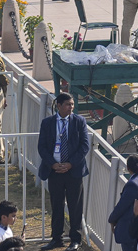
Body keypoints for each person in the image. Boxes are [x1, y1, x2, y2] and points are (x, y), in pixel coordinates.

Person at [37, 92, 89, 250]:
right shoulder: (47, 123)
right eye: (67, 104)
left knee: (75, 207)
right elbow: (42, 147)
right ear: (58, 106)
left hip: (73, 172)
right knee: (57, 206)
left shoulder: (79, 121)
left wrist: (70, 164)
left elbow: (84, 146)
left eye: (72, 104)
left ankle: (75, 240)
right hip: (55, 172)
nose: (71, 107)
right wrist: (53, 164)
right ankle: (57, 238)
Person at [107, 155, 138, 249]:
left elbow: (122, 206)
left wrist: (112, 220)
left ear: (128, 168)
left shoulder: (133, 184)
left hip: (131, 230)